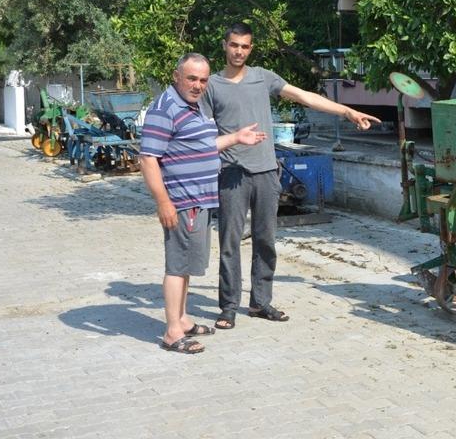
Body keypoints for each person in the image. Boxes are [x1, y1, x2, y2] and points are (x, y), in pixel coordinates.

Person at [202, 22, 381, 330]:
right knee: (230, 242)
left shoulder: (263, 78)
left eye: (245, 46)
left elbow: (304, 96)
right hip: (232, 175)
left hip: (267, 173)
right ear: (224, 45)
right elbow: (203, 133)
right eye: (234, 45)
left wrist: (347, 112)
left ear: (251, 48)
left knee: (265, 240)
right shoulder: (212, 86)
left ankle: (260, 302)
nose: (239, 51)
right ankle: (228, 306)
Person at [140, 53, 267, 354]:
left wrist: (236, 137)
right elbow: (148, 159)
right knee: (177, 265)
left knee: (187, 265)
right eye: (191, 78)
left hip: (198, 200)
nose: (197, 85)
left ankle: (182, 319)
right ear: (176, 76)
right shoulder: (165, 108)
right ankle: (172, 332)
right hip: (182, 201)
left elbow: (202, 147)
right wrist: (164, 203)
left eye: (203, 80)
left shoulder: (192, 107)